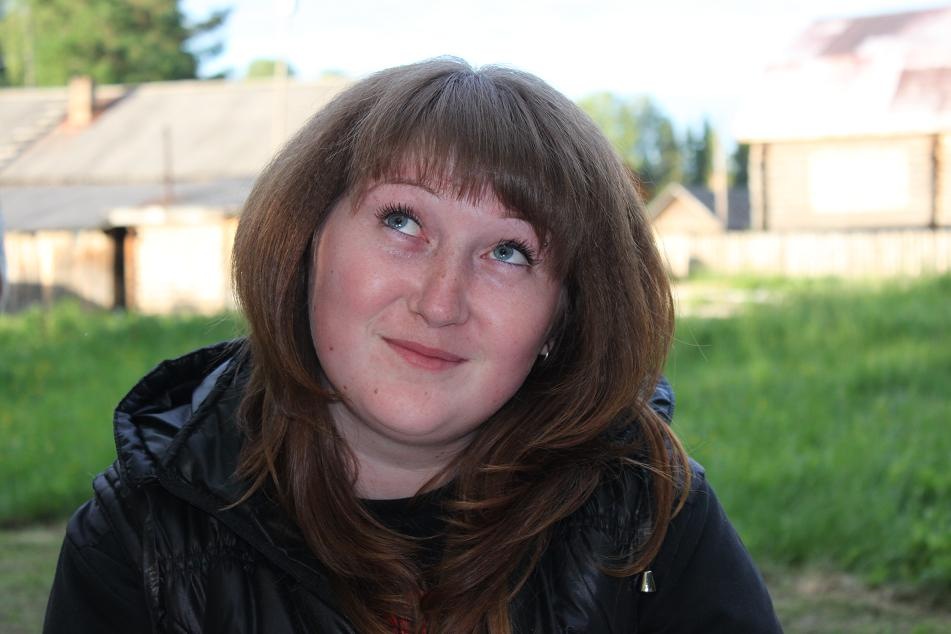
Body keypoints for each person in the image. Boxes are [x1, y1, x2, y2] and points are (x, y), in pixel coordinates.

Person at [44, 58, 781, 633]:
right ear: (307, 242)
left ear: (563, 319)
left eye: (509, 253)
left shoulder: (648, 520)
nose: (439, 301)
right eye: (402, 222)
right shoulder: (141, 537)